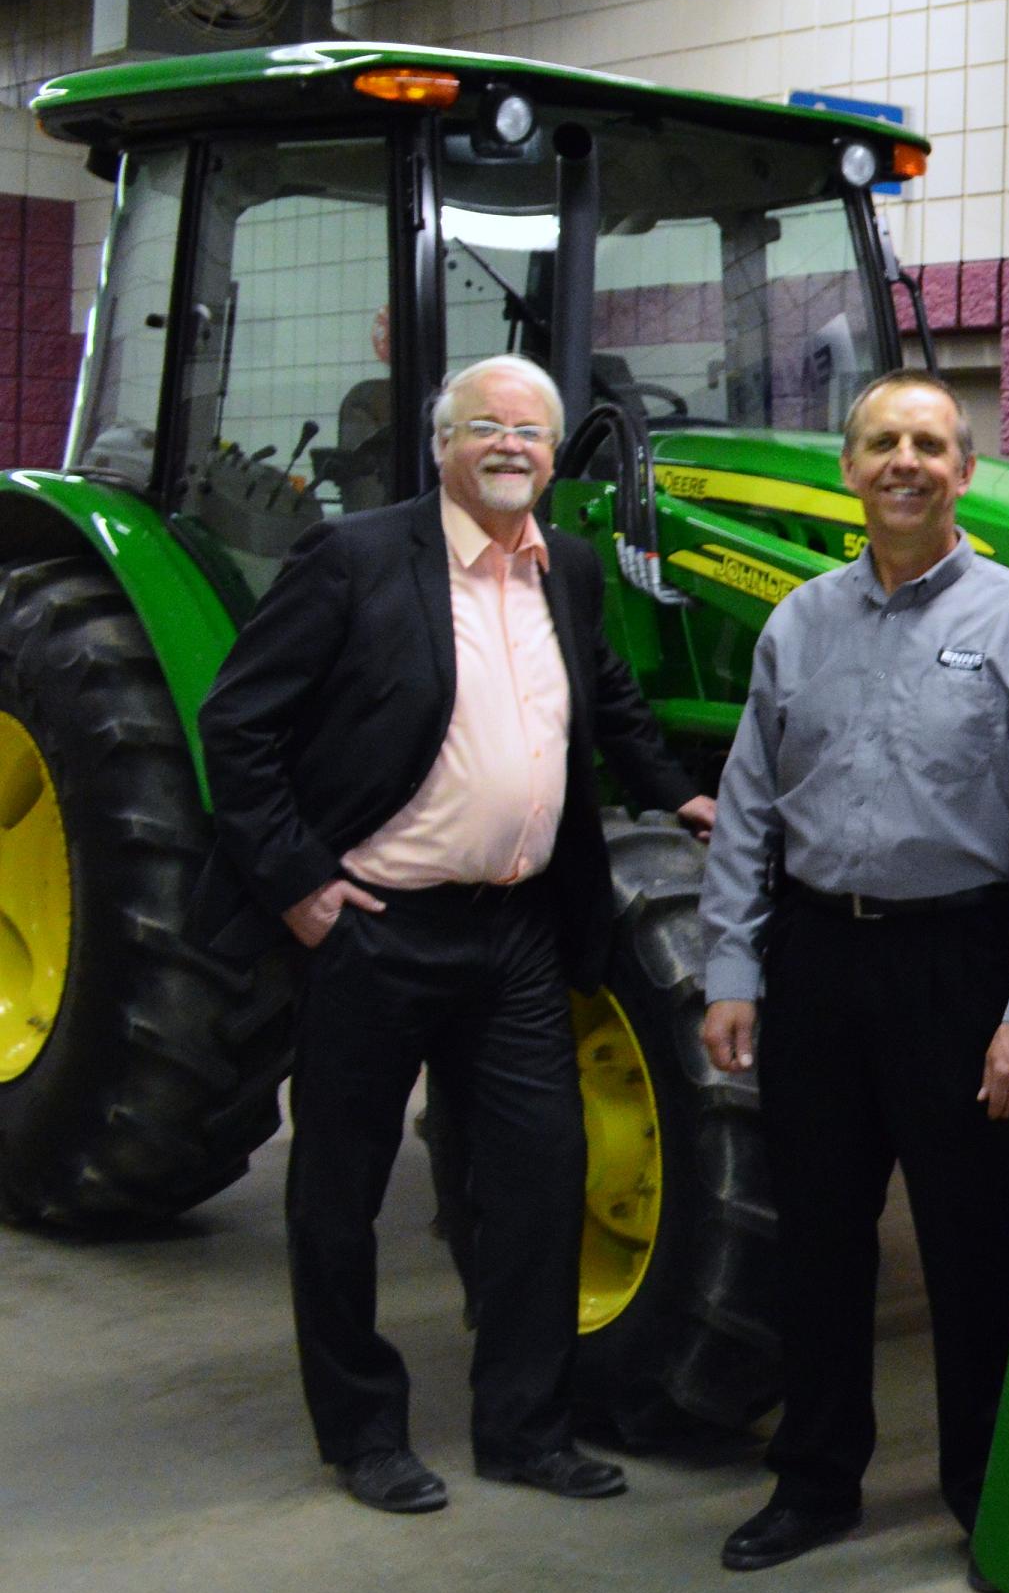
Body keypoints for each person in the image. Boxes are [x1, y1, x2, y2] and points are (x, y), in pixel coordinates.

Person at [198, 353, 713, 1516]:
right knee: (340, 1192)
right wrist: (301, 887)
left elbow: (608, 693)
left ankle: (524, 1428)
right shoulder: (356, 559)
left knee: (541, 1179)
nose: (512, 447)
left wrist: (676, 792)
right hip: (376, 930)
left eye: (532, 432)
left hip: (518, 933)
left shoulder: (566, 570)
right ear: (442, 445)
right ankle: (364, 1432)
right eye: (487, 427)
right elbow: (236, 725)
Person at [695, 371, 1009, 1581]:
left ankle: (989, 1496)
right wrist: (732, 967)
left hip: (957, 965)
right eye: (882, 442)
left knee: (976, 1249)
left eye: (929, 443)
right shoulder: (795, 624)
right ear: (848, 469)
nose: (905, 462)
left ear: (963, 472)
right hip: (817, 959)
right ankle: (815, 1482)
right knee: (817, 1237)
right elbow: (750, 807)